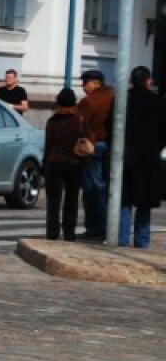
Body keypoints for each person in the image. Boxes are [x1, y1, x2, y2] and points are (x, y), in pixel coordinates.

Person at [117, 66, 166, 248]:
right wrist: (155, 148)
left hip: (125, 156)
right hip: (148, 158)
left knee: (125, 201)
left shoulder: (123, 100)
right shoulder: (157, 102)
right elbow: (164, 131)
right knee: (144, 202)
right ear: (148, 80)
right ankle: (142, 240)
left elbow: (111, 127)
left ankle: (121, 239)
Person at [43, 88, 87, 241]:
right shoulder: (79, 120)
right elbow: (87, 137)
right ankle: (69, 233)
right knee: (71, 199)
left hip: (54, 162)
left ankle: (52, 233)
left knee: (53, 202)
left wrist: (45, 163)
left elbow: (48, 145)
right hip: (73, 163)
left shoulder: (52, 121)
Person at [77, 68, 114, 241]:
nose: (83, 87)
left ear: (95, 83)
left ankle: (96, 227)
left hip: (94, 146)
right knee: (106, 188)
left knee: (93, 188)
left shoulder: (89, 102)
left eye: (85, 83)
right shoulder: (114, 96)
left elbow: (80, 124)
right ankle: (109, 226)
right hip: (112, 146)